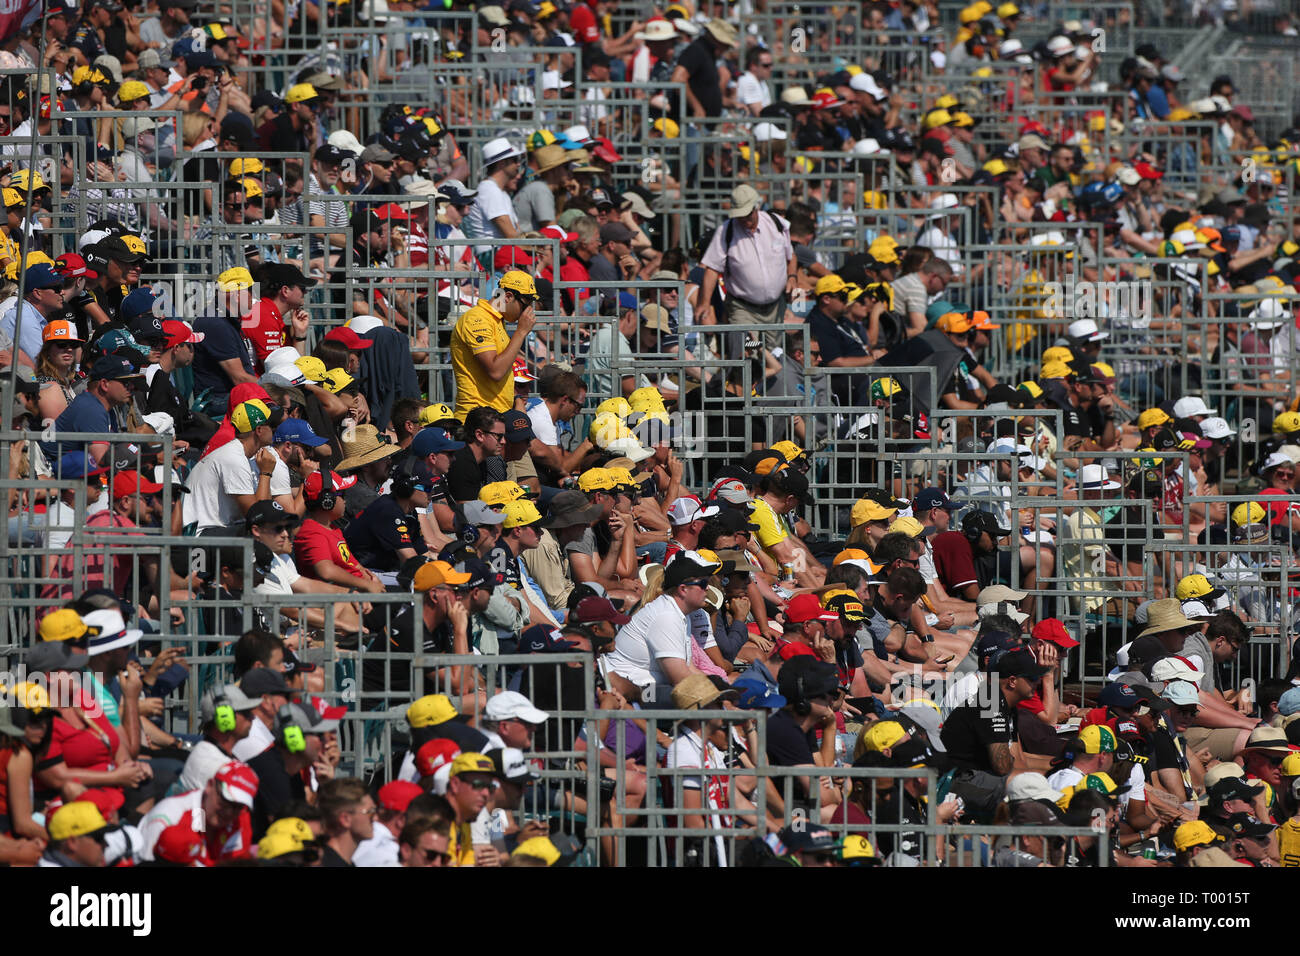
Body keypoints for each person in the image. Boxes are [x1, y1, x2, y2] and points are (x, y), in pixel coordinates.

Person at [450, 270, 537, 419]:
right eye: (525, 306)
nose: (527, 312)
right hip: (477, 420)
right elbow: (495, 371)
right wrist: (521, 332)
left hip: (495, 417)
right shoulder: (478, 319)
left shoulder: (497, 320)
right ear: (508, 297)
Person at [138, 761, 259, 864]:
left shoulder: (241, 817)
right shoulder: (169, 817)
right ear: (209, 785)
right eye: (225, 800)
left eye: (238, 806)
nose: (229, 812)